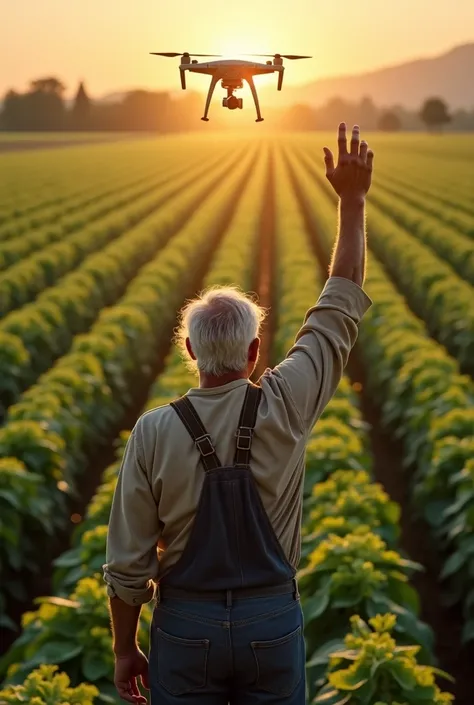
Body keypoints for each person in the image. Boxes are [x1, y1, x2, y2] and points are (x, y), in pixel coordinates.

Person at [103, 123, 374, 705]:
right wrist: (351, 202)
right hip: (271, 624)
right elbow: (341, 298)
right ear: (255, 353)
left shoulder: (153, 430)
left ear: (190, 351)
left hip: (184, 628)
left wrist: (126, 650)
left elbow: (126, 566)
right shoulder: (286, 399)